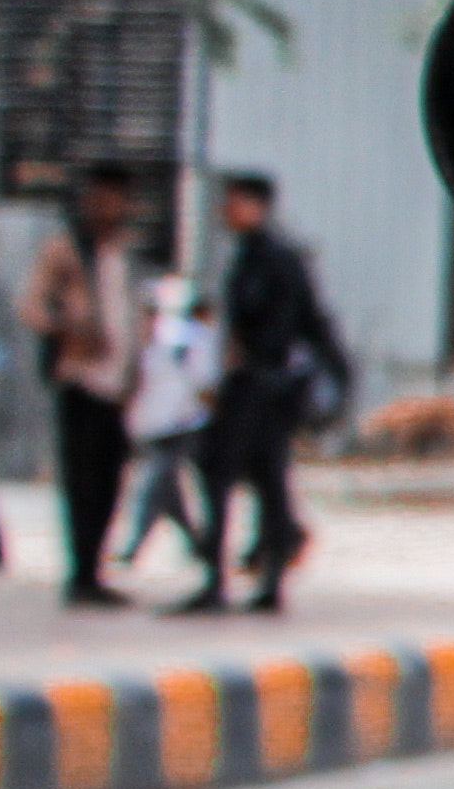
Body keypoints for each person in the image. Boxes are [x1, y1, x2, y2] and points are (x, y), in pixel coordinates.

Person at [179, 170, 342, 616]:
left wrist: (335, 377)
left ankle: (237, 578)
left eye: (235, 202)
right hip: (257, 385)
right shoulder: (250, 256)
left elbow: (302, 324)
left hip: (263, 388)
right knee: (263, 480)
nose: (226, 211)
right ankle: (261, 573)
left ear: (258, 206)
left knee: (227, 473)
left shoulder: (275, 260)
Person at [18, 161, 143, 607]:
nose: (107, 206)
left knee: (112, 481)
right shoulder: (66, 248)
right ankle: (82, 573)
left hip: (118, 385)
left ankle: (96, 568)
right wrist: (68, 327)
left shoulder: (123, 251)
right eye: (99, 196)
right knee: (82, 480)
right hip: (80, 380)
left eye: (116, 197)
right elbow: (30, 306)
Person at [116, 269, 222, 573]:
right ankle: (197, 541)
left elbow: (204, 383)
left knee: (155, 482)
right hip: (153, 426)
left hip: (181, 424)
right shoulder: (146, 344)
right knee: (169, 492)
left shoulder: (183, 342)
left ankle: (134, 545)